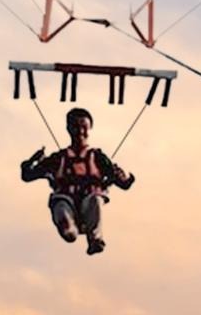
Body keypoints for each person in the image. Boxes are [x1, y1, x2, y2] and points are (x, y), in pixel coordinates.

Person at [20, 107, 135, 254]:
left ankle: (95, 239)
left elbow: (122, 183)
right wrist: (33, 160)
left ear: (89, 128)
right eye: (75, 127)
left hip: (89, 204)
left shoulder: (98, 158)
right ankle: (67, 227)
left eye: (84, 127)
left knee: (96, 200)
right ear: (69, 129)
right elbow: (27, 175)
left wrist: (123, 177)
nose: (80, 131)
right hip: (66, 200)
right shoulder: (58, 158)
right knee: (60, 206)